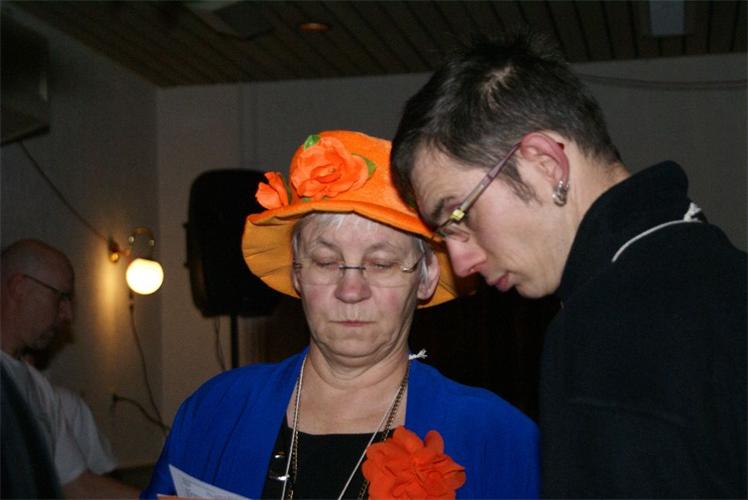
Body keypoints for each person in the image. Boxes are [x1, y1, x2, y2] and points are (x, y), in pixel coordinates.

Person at [388, 32, 747, 498]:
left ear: (545, 164)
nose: (461, 263)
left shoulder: (605, 327)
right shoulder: (719, 270)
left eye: (460, 215)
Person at [142, 130, 539, 499]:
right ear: (297, 272)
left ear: (426, 277)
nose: (350, 290)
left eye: (381, 264)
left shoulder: (496, 436)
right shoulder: (217, 410)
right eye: (326, 261)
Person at [0, 238, 140, 498]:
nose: (67, 315)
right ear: (19, 287)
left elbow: (79, 486)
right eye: (61, 297)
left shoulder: (39, 389)